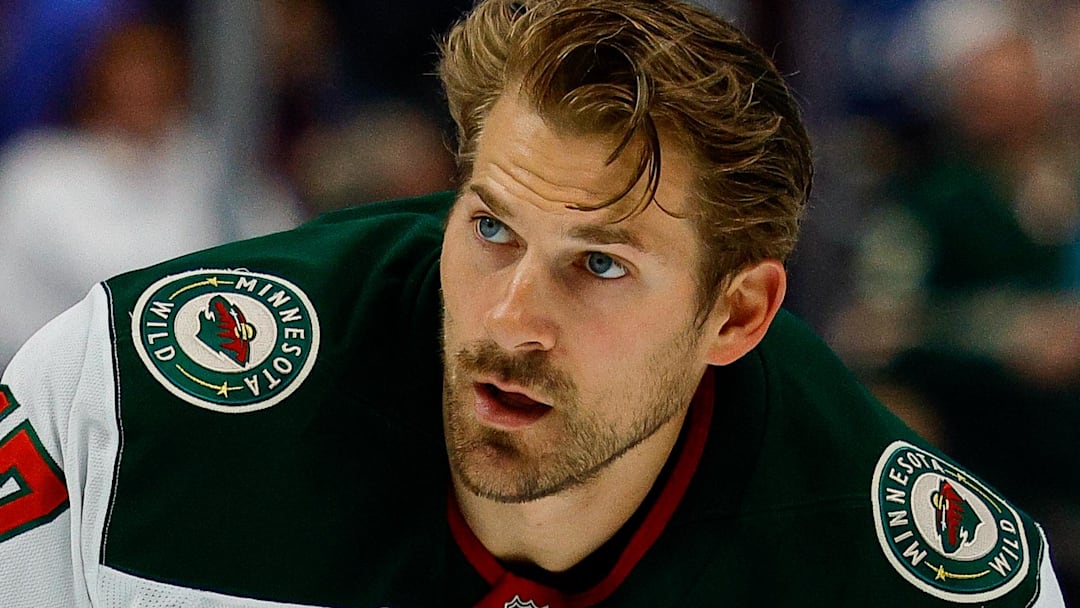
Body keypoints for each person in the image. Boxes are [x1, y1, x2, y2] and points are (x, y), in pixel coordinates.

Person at [0, 0, 1067, 606]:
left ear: (737, 315)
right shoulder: (132, 402)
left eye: (600, 264)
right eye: (492, 228)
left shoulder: (926, 577)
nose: (510, 321)